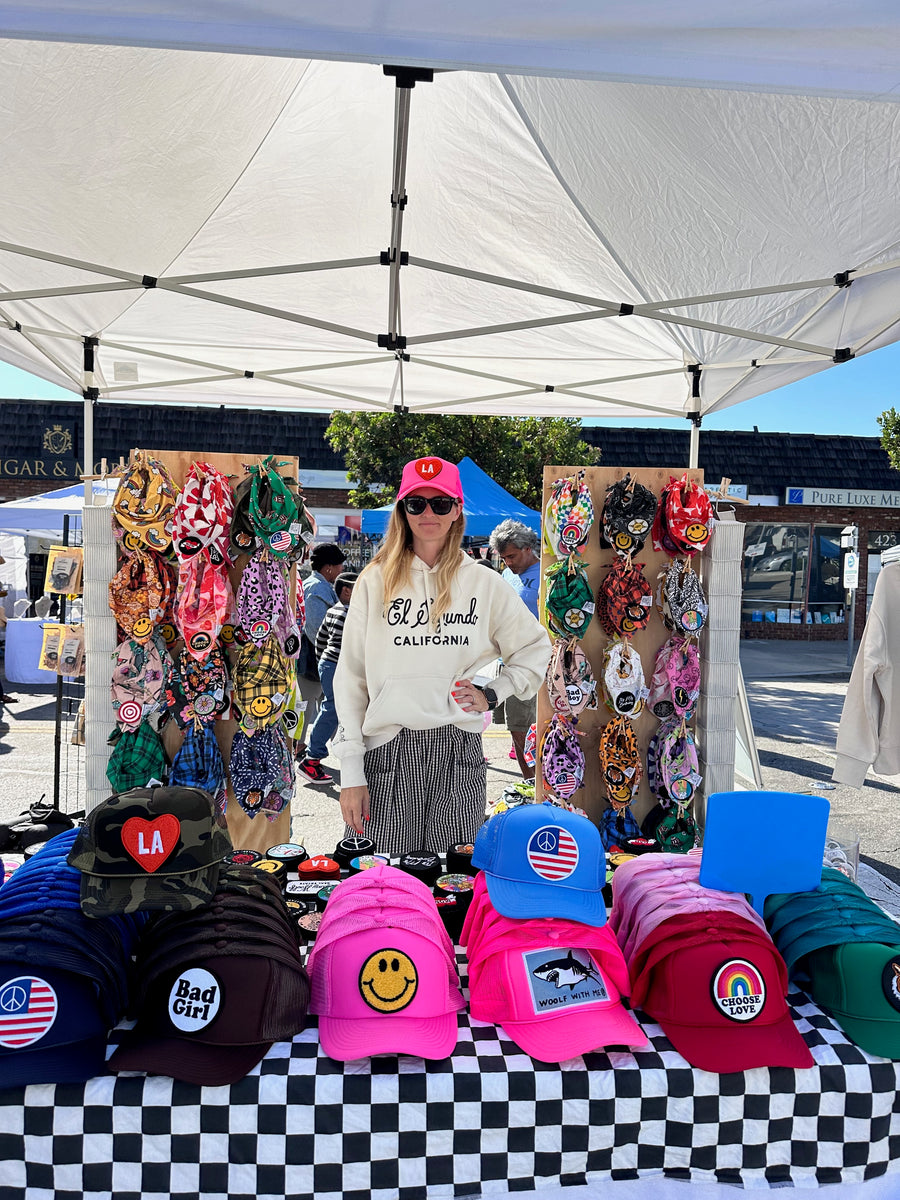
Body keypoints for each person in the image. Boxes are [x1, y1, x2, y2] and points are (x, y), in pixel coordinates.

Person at [333, 456, 550, 855]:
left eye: (441, 503)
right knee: (383, 878)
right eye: (416, 503)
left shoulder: (483, 582)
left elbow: (535, 647)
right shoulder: (374, 580)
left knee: (454, 881)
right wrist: (350, 769)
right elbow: (350, 678)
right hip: (387, 749)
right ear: (402, 511)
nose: (428, 512)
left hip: (457, 747)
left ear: (457, 511)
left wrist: (493, 691)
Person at [488, 519, 542, 779]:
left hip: (534, 662)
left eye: (511, 556)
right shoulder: (506, 574)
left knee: (530, 728)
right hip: (506, 660)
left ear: (528, 548)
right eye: (503, 557)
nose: (508, 562)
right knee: (516, 730)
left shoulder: (546, 573)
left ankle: (538, 787)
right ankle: (529, 785)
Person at [297, 571, 358, 784]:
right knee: (332, 709)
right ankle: (312, 759)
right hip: (339, 666)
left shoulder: (333, 610)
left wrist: (325, 662)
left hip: (329, 664)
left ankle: (321, 754)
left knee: (334, 708)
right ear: (347, 591)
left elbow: (320, 639)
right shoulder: (352, 613)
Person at [296, 543, 347, 748]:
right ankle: (300, 747)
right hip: (313, 660)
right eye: (339, 565)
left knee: (323, 706)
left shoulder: (320, 585)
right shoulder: (316, 587)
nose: (342, 569)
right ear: (328, 568)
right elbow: (315, 629)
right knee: (307, 706)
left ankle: (318, 747)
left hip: (318, 659)